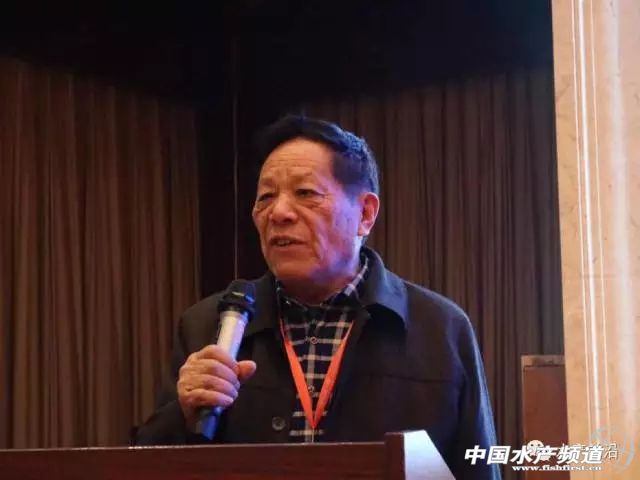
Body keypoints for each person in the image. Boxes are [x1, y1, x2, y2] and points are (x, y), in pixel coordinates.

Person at [133, 115, 500, 479]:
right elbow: (143, 465)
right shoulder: (207, 325)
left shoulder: (440, 328)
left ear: (365, 214)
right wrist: (182, 414)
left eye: (306, 193)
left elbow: (479, 469)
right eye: (266, 197)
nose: (278, 213)